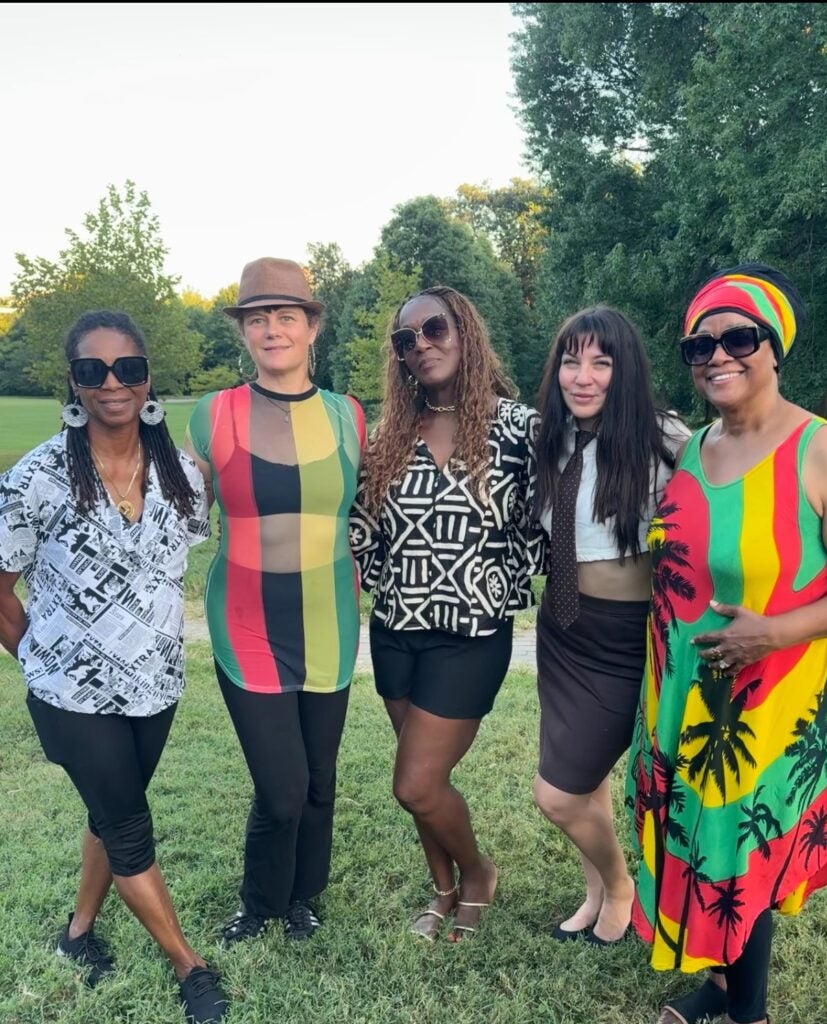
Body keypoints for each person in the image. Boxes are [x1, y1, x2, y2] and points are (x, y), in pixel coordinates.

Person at [0, 311, 227, 1024]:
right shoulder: (36, 477)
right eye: (93, 370)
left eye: (126, 367)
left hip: (155, 684)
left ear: (147, 375)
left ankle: (77, 935)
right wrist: (43, 658)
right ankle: (189, 969)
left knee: (109, 810)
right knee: (129, 826)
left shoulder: (183, 476)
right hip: (70, 694)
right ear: (73, 381)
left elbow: (174, 561)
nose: (112, 383)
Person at [627, 264, 827, 1024]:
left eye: (738, 337)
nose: (717, 355)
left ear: (774, 349)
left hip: (769, 701)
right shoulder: (689, 450)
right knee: (696, 836)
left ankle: (747, 1012)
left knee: (731, 851)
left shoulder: (816, 449)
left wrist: (774, 631)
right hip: (679, 690)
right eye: (699, 344)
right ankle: (719, 989)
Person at [349, 285, 546, 942]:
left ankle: (478, 872)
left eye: (433, 329)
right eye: (405, 340)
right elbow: (359, 530)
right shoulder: (384, 435)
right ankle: (442, 889)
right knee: (417, 771)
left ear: (464, 333)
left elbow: (559, 513)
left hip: (468, 637)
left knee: (415, 783)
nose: (420, 345)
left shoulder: (518, 429)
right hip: (394, 633)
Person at [184, 257, 365, 945]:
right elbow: (173, 504)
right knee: (283, 786)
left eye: (285, 315)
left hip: (331, 621)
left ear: (312, 325)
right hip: (246, 621)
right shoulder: (213, 413)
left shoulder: (348, 415)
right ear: (243, 330)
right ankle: (259, 904)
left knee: (320, 780)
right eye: (257, 318)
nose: (271, 329)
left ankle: (301, 898)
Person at [532, 306, 689, 946]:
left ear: (624, 370)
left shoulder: (666, 438)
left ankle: (622, 886)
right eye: (572, 360)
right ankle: (596, 892)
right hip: (560, 632)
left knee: (557, 793)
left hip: (625, 640)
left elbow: (730, 487)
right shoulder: (549, 434)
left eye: (601, 361)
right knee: (585, 780)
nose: (584, 376)